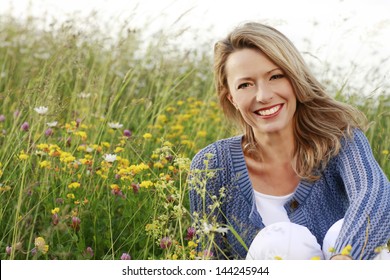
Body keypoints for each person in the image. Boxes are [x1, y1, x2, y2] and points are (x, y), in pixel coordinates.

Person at [188, 22, 390, 260]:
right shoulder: (212, 165)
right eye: (245, 84)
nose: (263, 96)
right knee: (282, 242)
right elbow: (209, 257)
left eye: (275, 76)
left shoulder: (340, 141)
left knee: (345, 237)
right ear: (232, 98)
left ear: (295, 79)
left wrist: (344, 260)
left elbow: (374, 192)